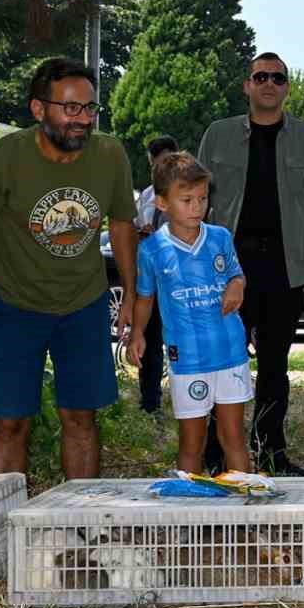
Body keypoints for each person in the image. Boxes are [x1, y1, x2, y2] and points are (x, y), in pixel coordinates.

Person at [0, 57, 136, 478]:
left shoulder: (110, 155)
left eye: (90, 109)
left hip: (83, 304)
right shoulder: (1, 161)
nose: (83, 120)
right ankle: (2, 527)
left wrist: (131, 296)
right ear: (38, 109)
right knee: (10, 423)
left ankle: (84, 524)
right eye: (71, 108)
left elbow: (122, 226)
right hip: (14, 306)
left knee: (81, 419)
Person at [196, 52, 304, 475]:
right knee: (222, 362)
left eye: (277, 77)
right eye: (261, 76)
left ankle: (271, 451)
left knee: (275, 365)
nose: (269, 83)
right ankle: (215, 454)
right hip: (227, 267)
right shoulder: (218, 136)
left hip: (285, 266)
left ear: (287, 87)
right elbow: (197, 199)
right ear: (247, 85)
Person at [129, 152, 252, 474]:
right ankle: (190, 513)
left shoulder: (220, 238)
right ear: (162, 203)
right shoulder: (152, 250)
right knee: (191, 443)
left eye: (202, 198)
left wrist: (237, 285)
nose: (197, 207)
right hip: (187, 360)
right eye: (187, 200)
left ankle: (246, 512)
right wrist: (137, 334)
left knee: (234, 437)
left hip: (230, 353)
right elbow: (145, 298)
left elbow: (237, 275)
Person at [133, 135, 179, 413]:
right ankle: (150, 404)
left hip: (181, 282)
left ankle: (191, 398)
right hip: (151, 280)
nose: (159, 170)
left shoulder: (191, 193)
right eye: (154, 165)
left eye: (165, 163)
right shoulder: (147, 196)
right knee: (149, 344)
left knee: (181, 342)